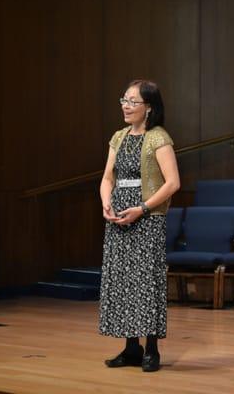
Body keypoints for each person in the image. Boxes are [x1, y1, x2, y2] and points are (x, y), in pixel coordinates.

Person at [99, 79, 180, 372]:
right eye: (124, 99)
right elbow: (108, 177)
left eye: (133, 101)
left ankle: (152, 349)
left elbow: (173, 182)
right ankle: (131, 348)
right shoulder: (118, 137)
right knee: (123, 282)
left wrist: (143, 208)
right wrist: (106, 203)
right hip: (119, 214)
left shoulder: (159, 138)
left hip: (147, 217)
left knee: (146, 282)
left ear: (149, 108)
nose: (126, 105)